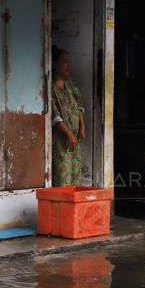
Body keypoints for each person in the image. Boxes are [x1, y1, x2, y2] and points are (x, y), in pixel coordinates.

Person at [51, 46, 86, 187]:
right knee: (61, 175)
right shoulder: (51, 87)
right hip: (61, 140)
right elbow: (55, 115)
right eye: (65, 62)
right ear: (55, 64)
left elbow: (79, 105)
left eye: (69, 62)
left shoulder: (70, 84)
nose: (68, 66)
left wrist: (82, 125)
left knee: (75, 175)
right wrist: (68, 134)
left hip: (75, 138)